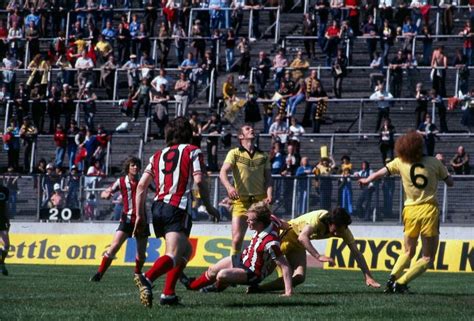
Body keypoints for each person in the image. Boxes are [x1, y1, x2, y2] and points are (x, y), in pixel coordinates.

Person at [133, 117, 219, 307]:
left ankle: (169, 294)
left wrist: (140, 215)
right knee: (173, 254)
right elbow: (198, 181)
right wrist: (210, 207)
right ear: (188, 133)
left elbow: (141, 186)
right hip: (177, 206)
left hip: (157, 208)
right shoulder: (192, 150)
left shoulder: (156, 155)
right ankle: (147, 277)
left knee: (185, 250)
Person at [360, 131, 454, 293]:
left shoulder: (400, 162)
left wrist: (367, 180)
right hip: (428, 211)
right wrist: (442, 165)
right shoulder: (433, 162)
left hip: (409, 211)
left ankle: (392, 277)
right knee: (427, 258)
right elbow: (450, 182)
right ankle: (401, 283)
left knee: (408, 251)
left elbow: (380, 172)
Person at [253, 208, 380, 293]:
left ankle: (259, 290)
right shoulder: (317, 219)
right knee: (260, 271)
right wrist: (318, 257)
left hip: (297, 245)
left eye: (341, 230)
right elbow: (303, 237)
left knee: (298, 278)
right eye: (335, 229)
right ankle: (234, 276)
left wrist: (368, 276)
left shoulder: (343, 231)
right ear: (330, 222)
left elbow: (357, 254)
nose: (337, 233)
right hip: (287, 236)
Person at [181, 202, 293, 296]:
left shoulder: (270, 242)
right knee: (212, 270)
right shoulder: (272, 219)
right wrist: (290, 228)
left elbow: (285, 266)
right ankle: (191, 286)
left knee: (222, 275)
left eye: (250, 219)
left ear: (260, 222)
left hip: (253, 273)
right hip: (244, 258)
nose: (247, 221)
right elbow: (286, 226)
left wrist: (288, 292)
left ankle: (217, 287)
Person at [90, 157, 150, 282]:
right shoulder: (121, 181)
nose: (135, 168)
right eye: (133, 165)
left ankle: (137, 274)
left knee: (141, 253)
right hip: (126, 219)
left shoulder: (144, 181)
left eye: (137, 165)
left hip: (142, 220)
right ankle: (99, 274)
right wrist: (105, 194)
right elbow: (107, 191)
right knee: (114, 246)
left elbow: (158, 190)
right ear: (128, 167)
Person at [220, 124, 273, 256]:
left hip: (260, 203)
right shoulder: (234, 153)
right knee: (237, 239)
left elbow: (268, 179)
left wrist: (269, 195)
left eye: (252, 128)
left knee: (268, 238)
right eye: (248, 129)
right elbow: (223, 172)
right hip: (240, 202)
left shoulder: (263, 155)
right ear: (240, 136)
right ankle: (234, 268)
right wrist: (229, 187)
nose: (252, 130)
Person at [0, 181, 10, 276]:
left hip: (1, 220)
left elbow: (6, 206)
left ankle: (1, 263)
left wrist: (8, 220)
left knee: (6, 245)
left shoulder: (4, 190)